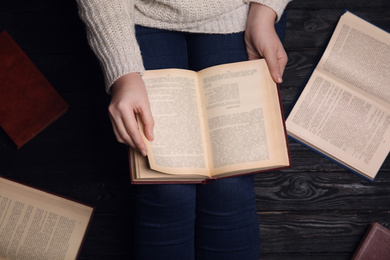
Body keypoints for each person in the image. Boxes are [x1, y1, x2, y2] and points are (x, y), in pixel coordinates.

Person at [77, 1, 291, 259]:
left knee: (230, 184)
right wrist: (124, 73)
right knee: (167, 185)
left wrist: (264, 13)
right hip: (138, 14)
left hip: (240, 12)